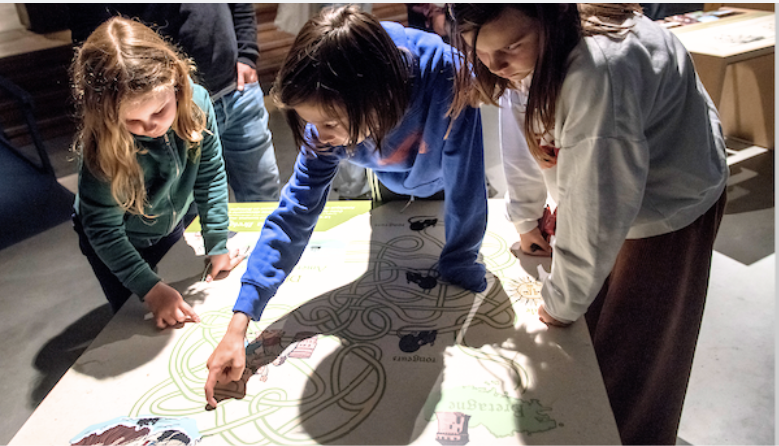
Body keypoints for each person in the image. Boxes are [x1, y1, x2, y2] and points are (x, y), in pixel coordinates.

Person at [448, 4, 729, 445]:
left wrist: (561, 300)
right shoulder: (528, 53)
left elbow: (599, 202)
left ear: (550, 16)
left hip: (669, 203)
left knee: (636, 361)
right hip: (613, 181)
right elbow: (524, 128)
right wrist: (526, 217)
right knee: (591, 329)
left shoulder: (597, 72)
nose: (495, 66)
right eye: (477, 51)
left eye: (509, 47)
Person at [203, 4, 488, 407]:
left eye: (333, 122)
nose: (323, 135)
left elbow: (467, 180)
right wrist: (240, 323)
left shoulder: (446, 75)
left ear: (376, 95)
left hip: (444, 180)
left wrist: (460, 258)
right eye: (312, 124)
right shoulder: (324, 125)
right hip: (391, 180)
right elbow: (295, 212)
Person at [70, 17, 247, 329]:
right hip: (117, 241)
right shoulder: (102, 149)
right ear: (107, 116)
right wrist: (149, 288)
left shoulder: (198, 103)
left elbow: (211, 176)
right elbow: (104, 231)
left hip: (169, 223)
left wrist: (217, 242)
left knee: (175, 299)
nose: (150, 128)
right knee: (134, 320)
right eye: (132, 122)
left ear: (176, 82)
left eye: (159, 112)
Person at [68, 4, 282, 202]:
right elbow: (88, 28)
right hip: (169, 111)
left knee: (263, 193)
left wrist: (246, 52)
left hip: (235, 90)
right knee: (193, 205)